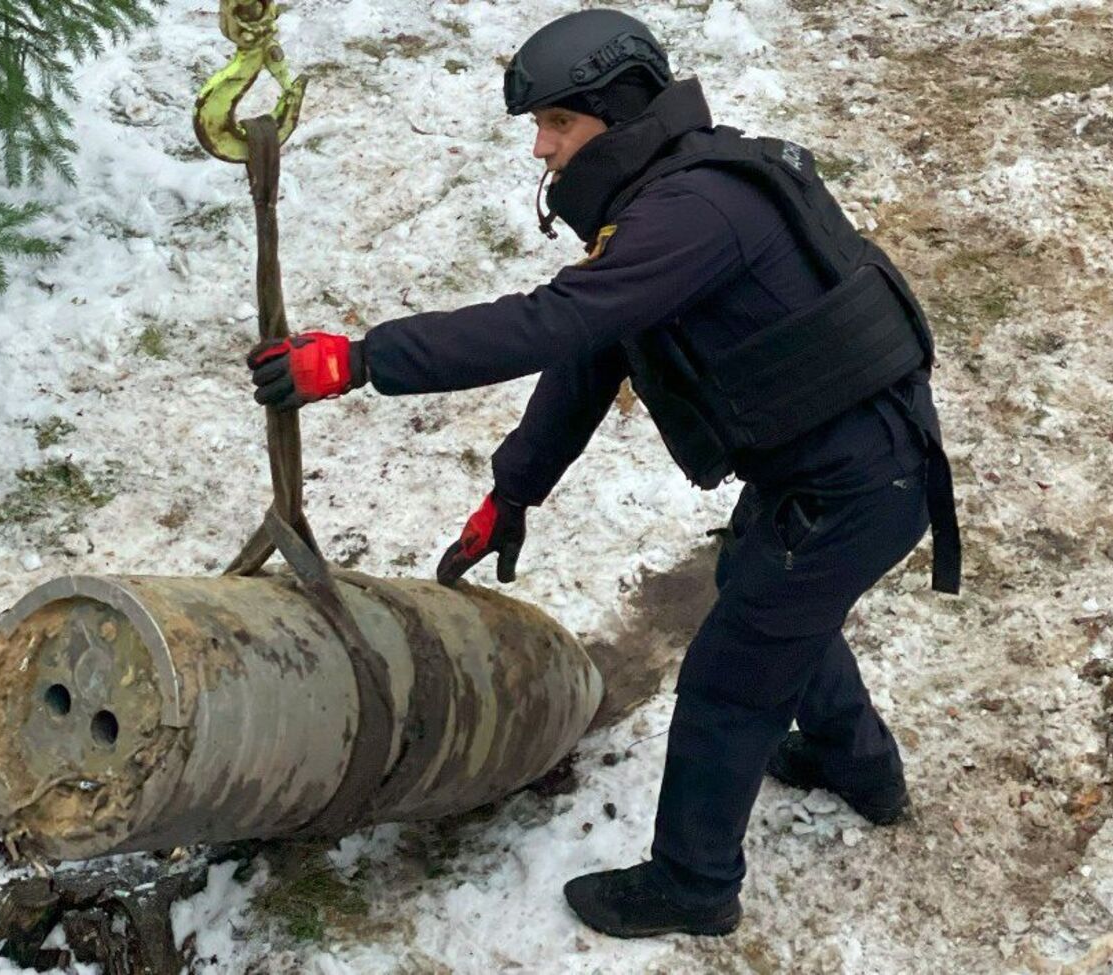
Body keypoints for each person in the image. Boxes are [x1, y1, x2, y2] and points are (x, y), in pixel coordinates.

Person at [246, 9, 960, 940]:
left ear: (617, 115)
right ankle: (856, 762)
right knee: (766, 591)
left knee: (732, 679)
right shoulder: (668, 200)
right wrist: (513, 491)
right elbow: (592, 354)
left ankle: (694, 881)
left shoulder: (694, 215)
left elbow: (548, 324)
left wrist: (360, 359)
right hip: (836, 468)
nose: (542, 150)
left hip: (856, 483)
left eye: (557, 125)